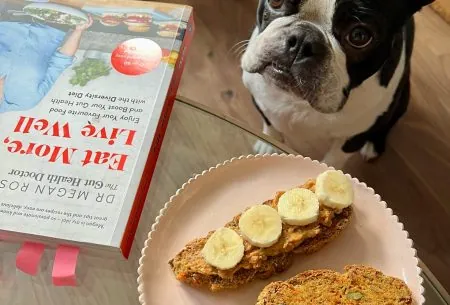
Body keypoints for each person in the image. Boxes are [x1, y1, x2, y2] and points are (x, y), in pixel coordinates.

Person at [0, 16, 93, 113]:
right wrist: (78, 31)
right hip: (54, 23)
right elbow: (60, 62)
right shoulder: (27, 101)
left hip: (8, 15)